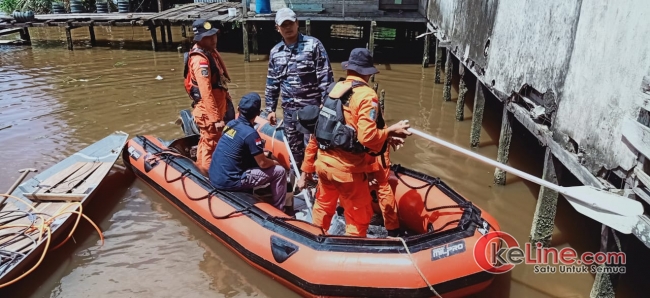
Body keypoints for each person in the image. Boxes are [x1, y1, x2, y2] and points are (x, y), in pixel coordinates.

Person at [296, 48, 411, 237]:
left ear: (349, 69)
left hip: (324, 166)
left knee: (323, 207)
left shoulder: (334, 90)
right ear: (368, 73)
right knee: (358, 217)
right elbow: (366, 138)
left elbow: (319, 133)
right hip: (347, 171)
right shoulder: (367, 96)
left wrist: (306, 170)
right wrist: (390, 131)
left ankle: (316, 238)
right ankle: (353, 251)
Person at [265, 7, 334, 171]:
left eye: (291, 23)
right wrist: (270, 109)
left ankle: (316, 182)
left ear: (297, 23)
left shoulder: (313, 45)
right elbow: (272, 83)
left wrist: (327, 104)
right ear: (277, 28)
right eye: (284, 25)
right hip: (290, 112)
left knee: (314, 147)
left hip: (312, 110)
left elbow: (325, 76)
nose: (288, 28)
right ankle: (298, 182)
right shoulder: (275, 53)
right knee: (294, 148)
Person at [208, 92, 288, 213]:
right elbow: (263, 164)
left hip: (215, 176)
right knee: (280, 172)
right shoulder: (251, 134)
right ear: (258, 114)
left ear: (239, 109)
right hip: (231, 180)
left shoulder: (230, 124)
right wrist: (275, 162)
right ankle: (280, 210)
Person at [184, 19, 235, 176]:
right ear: (199, 38)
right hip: (208, 111)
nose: (213, 39)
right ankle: (205, 176)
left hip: (219, 105)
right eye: (208, 37)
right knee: (211, 143)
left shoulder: (209, 51)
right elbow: (206, 91)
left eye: (214, 35)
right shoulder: (200, 61)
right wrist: (215, 119)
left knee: (208, 141)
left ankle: (202, 168)